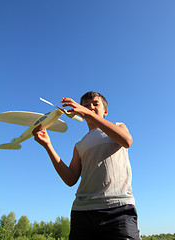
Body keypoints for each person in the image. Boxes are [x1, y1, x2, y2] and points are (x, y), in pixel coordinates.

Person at [32, 91, 141, 240]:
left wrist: (88, 113)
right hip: (82, 211)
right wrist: (48, 145)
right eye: (86, 105)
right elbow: (70, 179)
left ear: (106, 111)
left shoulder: (118, 126)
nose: (90, 107)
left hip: (118, 208)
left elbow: (127, 140)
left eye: (95, 104)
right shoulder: (79, 145)